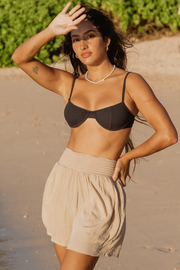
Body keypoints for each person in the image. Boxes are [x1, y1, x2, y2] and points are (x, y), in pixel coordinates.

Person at [12, 2, 178, 270]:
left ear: (107, 40)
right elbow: (21, 58)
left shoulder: (130, 82)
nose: (82, 45)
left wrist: (127, 158)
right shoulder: (69, 84)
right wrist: (50, 31)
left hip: (101, 186)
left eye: (90, 36)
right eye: (76, 40)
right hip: (64, 180)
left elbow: (168, 134)